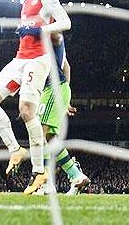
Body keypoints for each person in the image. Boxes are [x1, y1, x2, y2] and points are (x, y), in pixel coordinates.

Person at [0, 0, 71, 195]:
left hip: (38, 60)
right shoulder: (25, 3)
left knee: (27, 109)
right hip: (20, 60)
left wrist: (41, 30)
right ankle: (15, 149)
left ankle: (39, 170)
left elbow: (65, 23)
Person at [35, 33, 90, 195]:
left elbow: (58, 37)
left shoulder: (50, 37)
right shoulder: (51, 48)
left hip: (54, 88)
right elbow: (67, 67)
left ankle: (47, 183)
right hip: (56, 89)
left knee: (40, 134)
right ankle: (76, 175)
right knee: (50, 138)